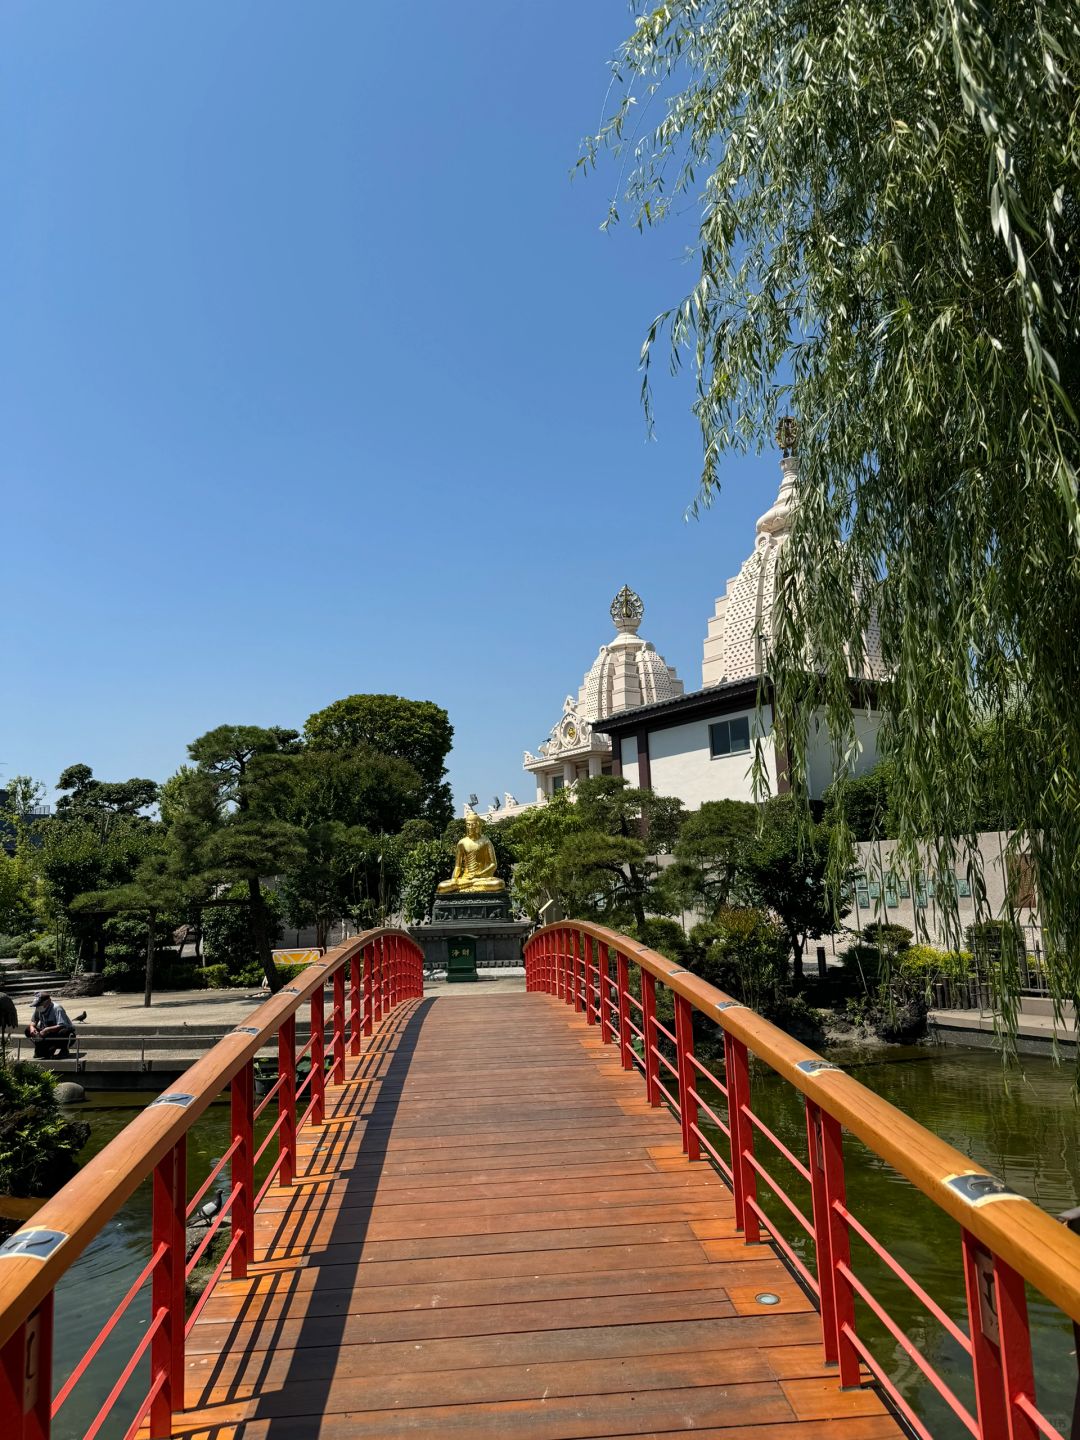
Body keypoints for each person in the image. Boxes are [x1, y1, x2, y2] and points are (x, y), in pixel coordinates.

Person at [25, 992, 76, 1058]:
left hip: (62, 1035)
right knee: (28, 1030)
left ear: (48, 1001)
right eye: (37, 1005)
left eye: (40, 1004)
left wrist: (46, 1030)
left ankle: (64, 1051)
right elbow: (33, 1021)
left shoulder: (57, 1008)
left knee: (64, 1031)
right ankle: (40, 1047)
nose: (38, 1006)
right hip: (47, 1034)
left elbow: (62, 1025)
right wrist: (32, 1027)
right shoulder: (38, 1008)